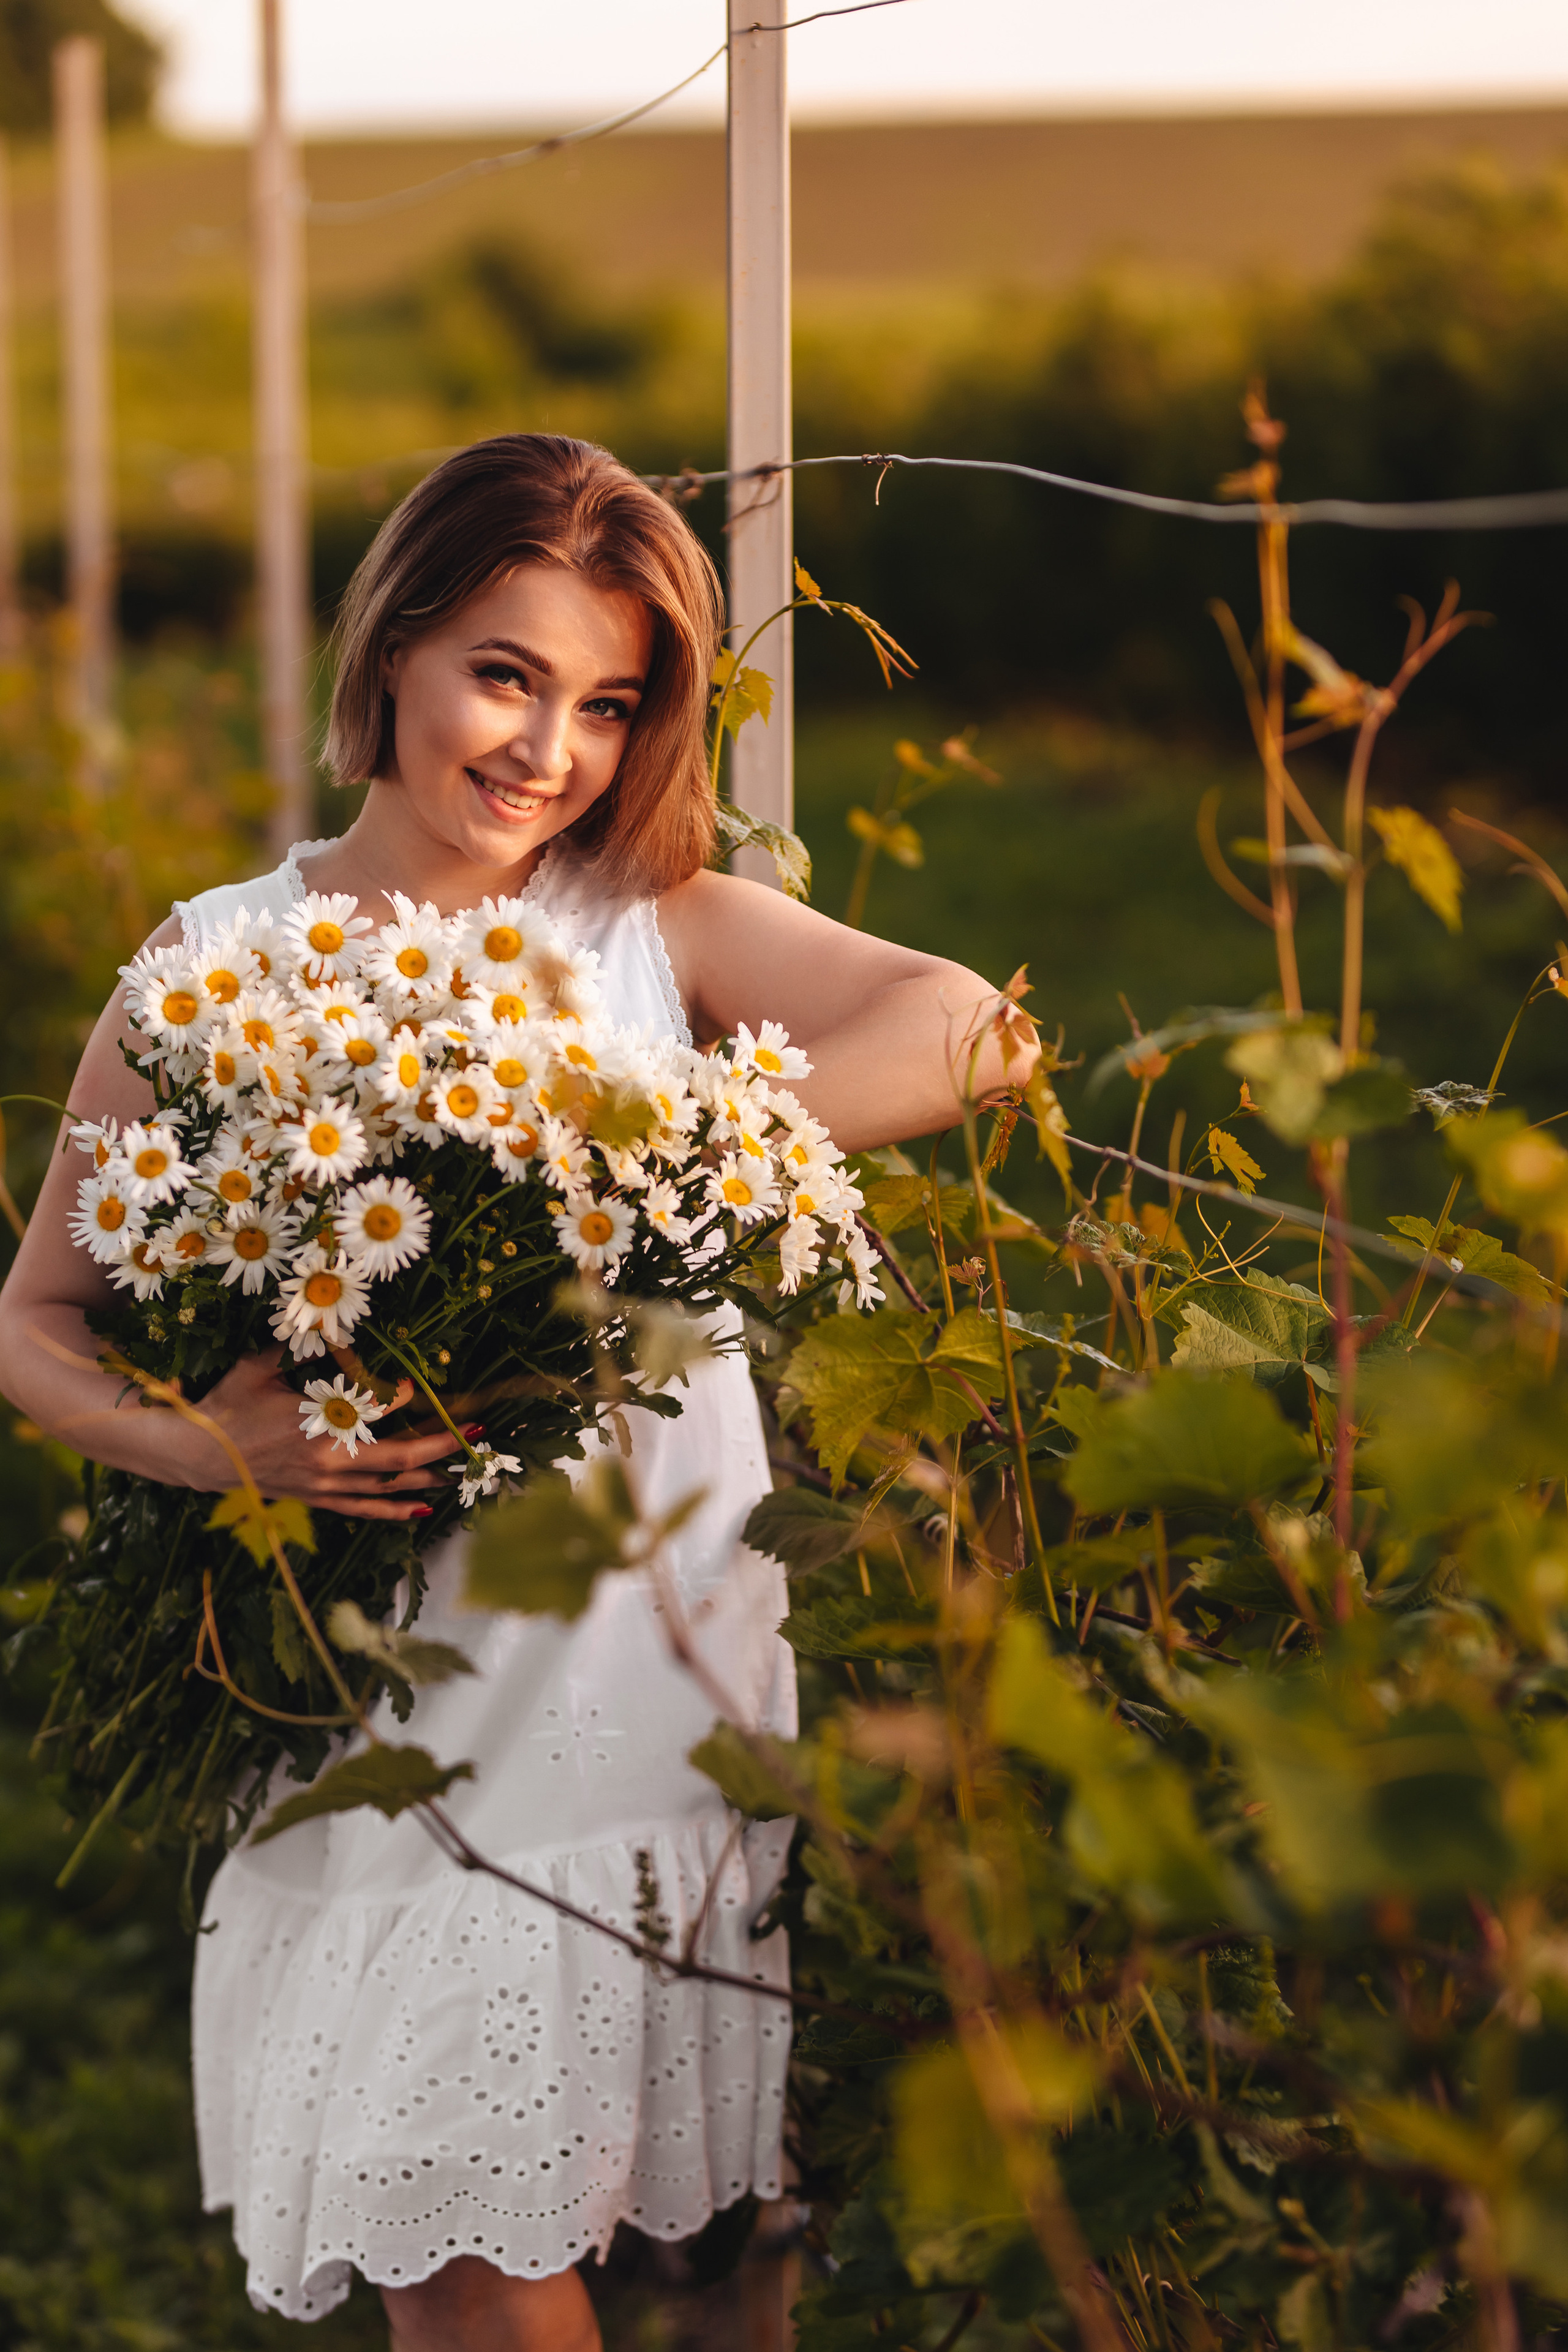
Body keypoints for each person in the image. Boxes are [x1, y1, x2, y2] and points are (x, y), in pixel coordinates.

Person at [0, 435, 1028, 2350]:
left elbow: (976, 1026)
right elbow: (38, 1318)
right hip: (373, 1708)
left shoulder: (652, 929)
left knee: (543, 2253)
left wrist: (634, 1150)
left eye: (609, 703)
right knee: (452, 2271)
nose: (552, 748)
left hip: (628, 1693)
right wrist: (207, 1442)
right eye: (506, 673)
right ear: (393, 643)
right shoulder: (218, 963)